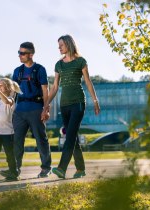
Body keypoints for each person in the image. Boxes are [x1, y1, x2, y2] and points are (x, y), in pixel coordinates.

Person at [44, 35, 100, 179]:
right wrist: (46, 104)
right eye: (58, 45)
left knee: (70, 136)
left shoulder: (81, 61)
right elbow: (55, 87)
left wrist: (95, 101)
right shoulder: (59, 64)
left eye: (61, 45)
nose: (59, 48)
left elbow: (88, 82)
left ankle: (62, 168)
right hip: (64, 104)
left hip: (78, 103)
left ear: (68, 44)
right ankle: (80, 169)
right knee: (72, 137)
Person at [9, 41, 52, 178]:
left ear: (31, 54)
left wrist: (46, 109)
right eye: (19, 53)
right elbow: (12, 92)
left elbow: (46, 90)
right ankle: (14, 170)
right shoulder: (17, 71)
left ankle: (46, 168)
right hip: (19, 111)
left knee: (41, 139)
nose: (20, 55)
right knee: (16, 141)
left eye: (22, 53)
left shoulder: (40, 69)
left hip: (36, 109)